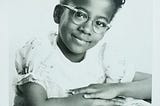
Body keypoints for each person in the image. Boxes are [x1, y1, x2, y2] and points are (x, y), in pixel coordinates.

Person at [14, 0, 152, 106]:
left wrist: (115, 89)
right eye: (79, 14)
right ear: (58, 14)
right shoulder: (40, 52)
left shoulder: (103, 57)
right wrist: (88, 101)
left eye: (100, 23)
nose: (87, 29)